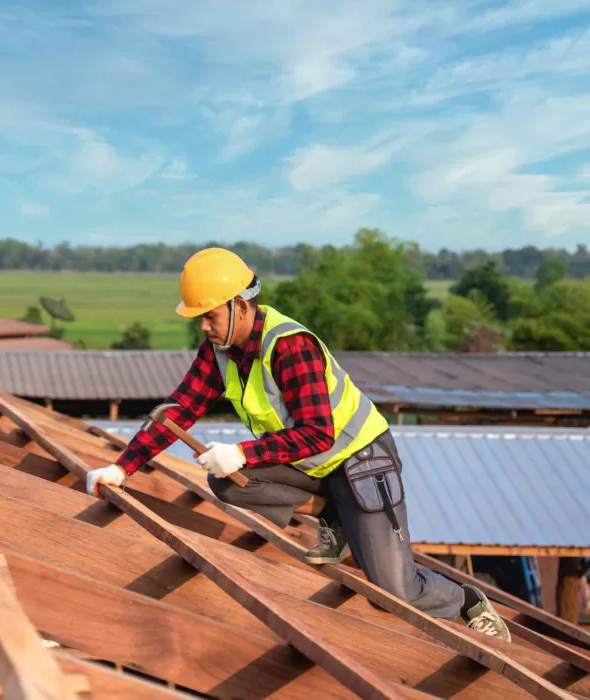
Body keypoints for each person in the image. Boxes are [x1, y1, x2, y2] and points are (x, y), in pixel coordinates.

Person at [84, 247, 512, 642]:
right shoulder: (219, 350)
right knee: (228, 482)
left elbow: (318, 434)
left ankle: (466, 599)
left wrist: (244, 452)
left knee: (391, 590)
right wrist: (121, 469)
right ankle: (336, 518)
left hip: (362, 461)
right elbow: (178, 410)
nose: (203, 325)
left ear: (241, 306)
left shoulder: (289, 346)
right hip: (314, 467)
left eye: (209, 315)